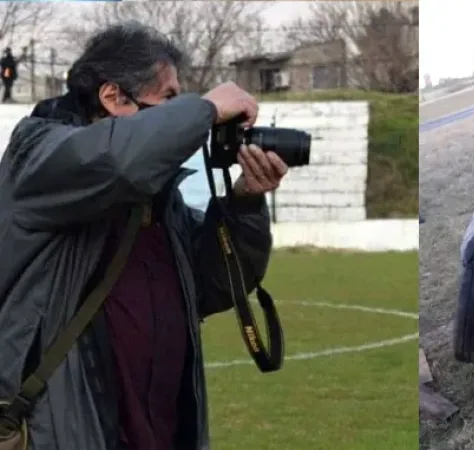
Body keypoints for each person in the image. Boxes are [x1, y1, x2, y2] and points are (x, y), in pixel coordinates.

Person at [0, 22, 287, 450]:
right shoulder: (40, 152)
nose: (181, 114)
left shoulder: (157, 199)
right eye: (169, 99)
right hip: (68, 431)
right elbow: (116, 160)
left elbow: (215, 284)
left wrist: (244, 201)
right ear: (112, 97)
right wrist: (205, 109)